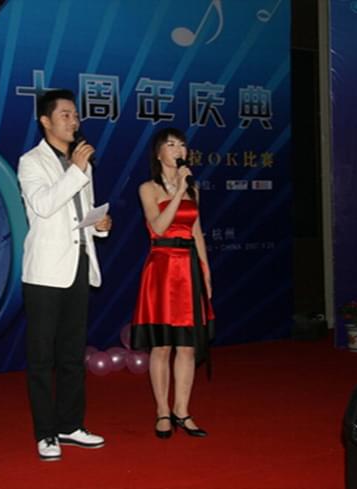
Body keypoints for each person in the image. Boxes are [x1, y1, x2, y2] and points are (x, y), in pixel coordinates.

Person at [17, 89, 112, 461]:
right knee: (42, 357)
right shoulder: (31, 162)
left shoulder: (80, 164)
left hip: (79, 263)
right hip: (45, 272)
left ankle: (70, 425)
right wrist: (76, 169)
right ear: (46, 121)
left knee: (73, 354)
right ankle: (45, 433)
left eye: (76, 115)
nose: (75, 121)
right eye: (66, 115)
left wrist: (100, 225)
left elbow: (79, 213)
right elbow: (44, 205)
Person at [130, 127, 214, 440]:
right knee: (162, 345)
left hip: (189, 268)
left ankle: (183, 410)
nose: (178, 150)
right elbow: (160, 227)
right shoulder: (148, 188)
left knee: (187, 346)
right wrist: (178, 192)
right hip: (162, 268)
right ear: (158, 153)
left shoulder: (194, 188)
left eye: (182, 145)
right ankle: (162, 411)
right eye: (171, 144)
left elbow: (196, 232)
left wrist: (206, 271)